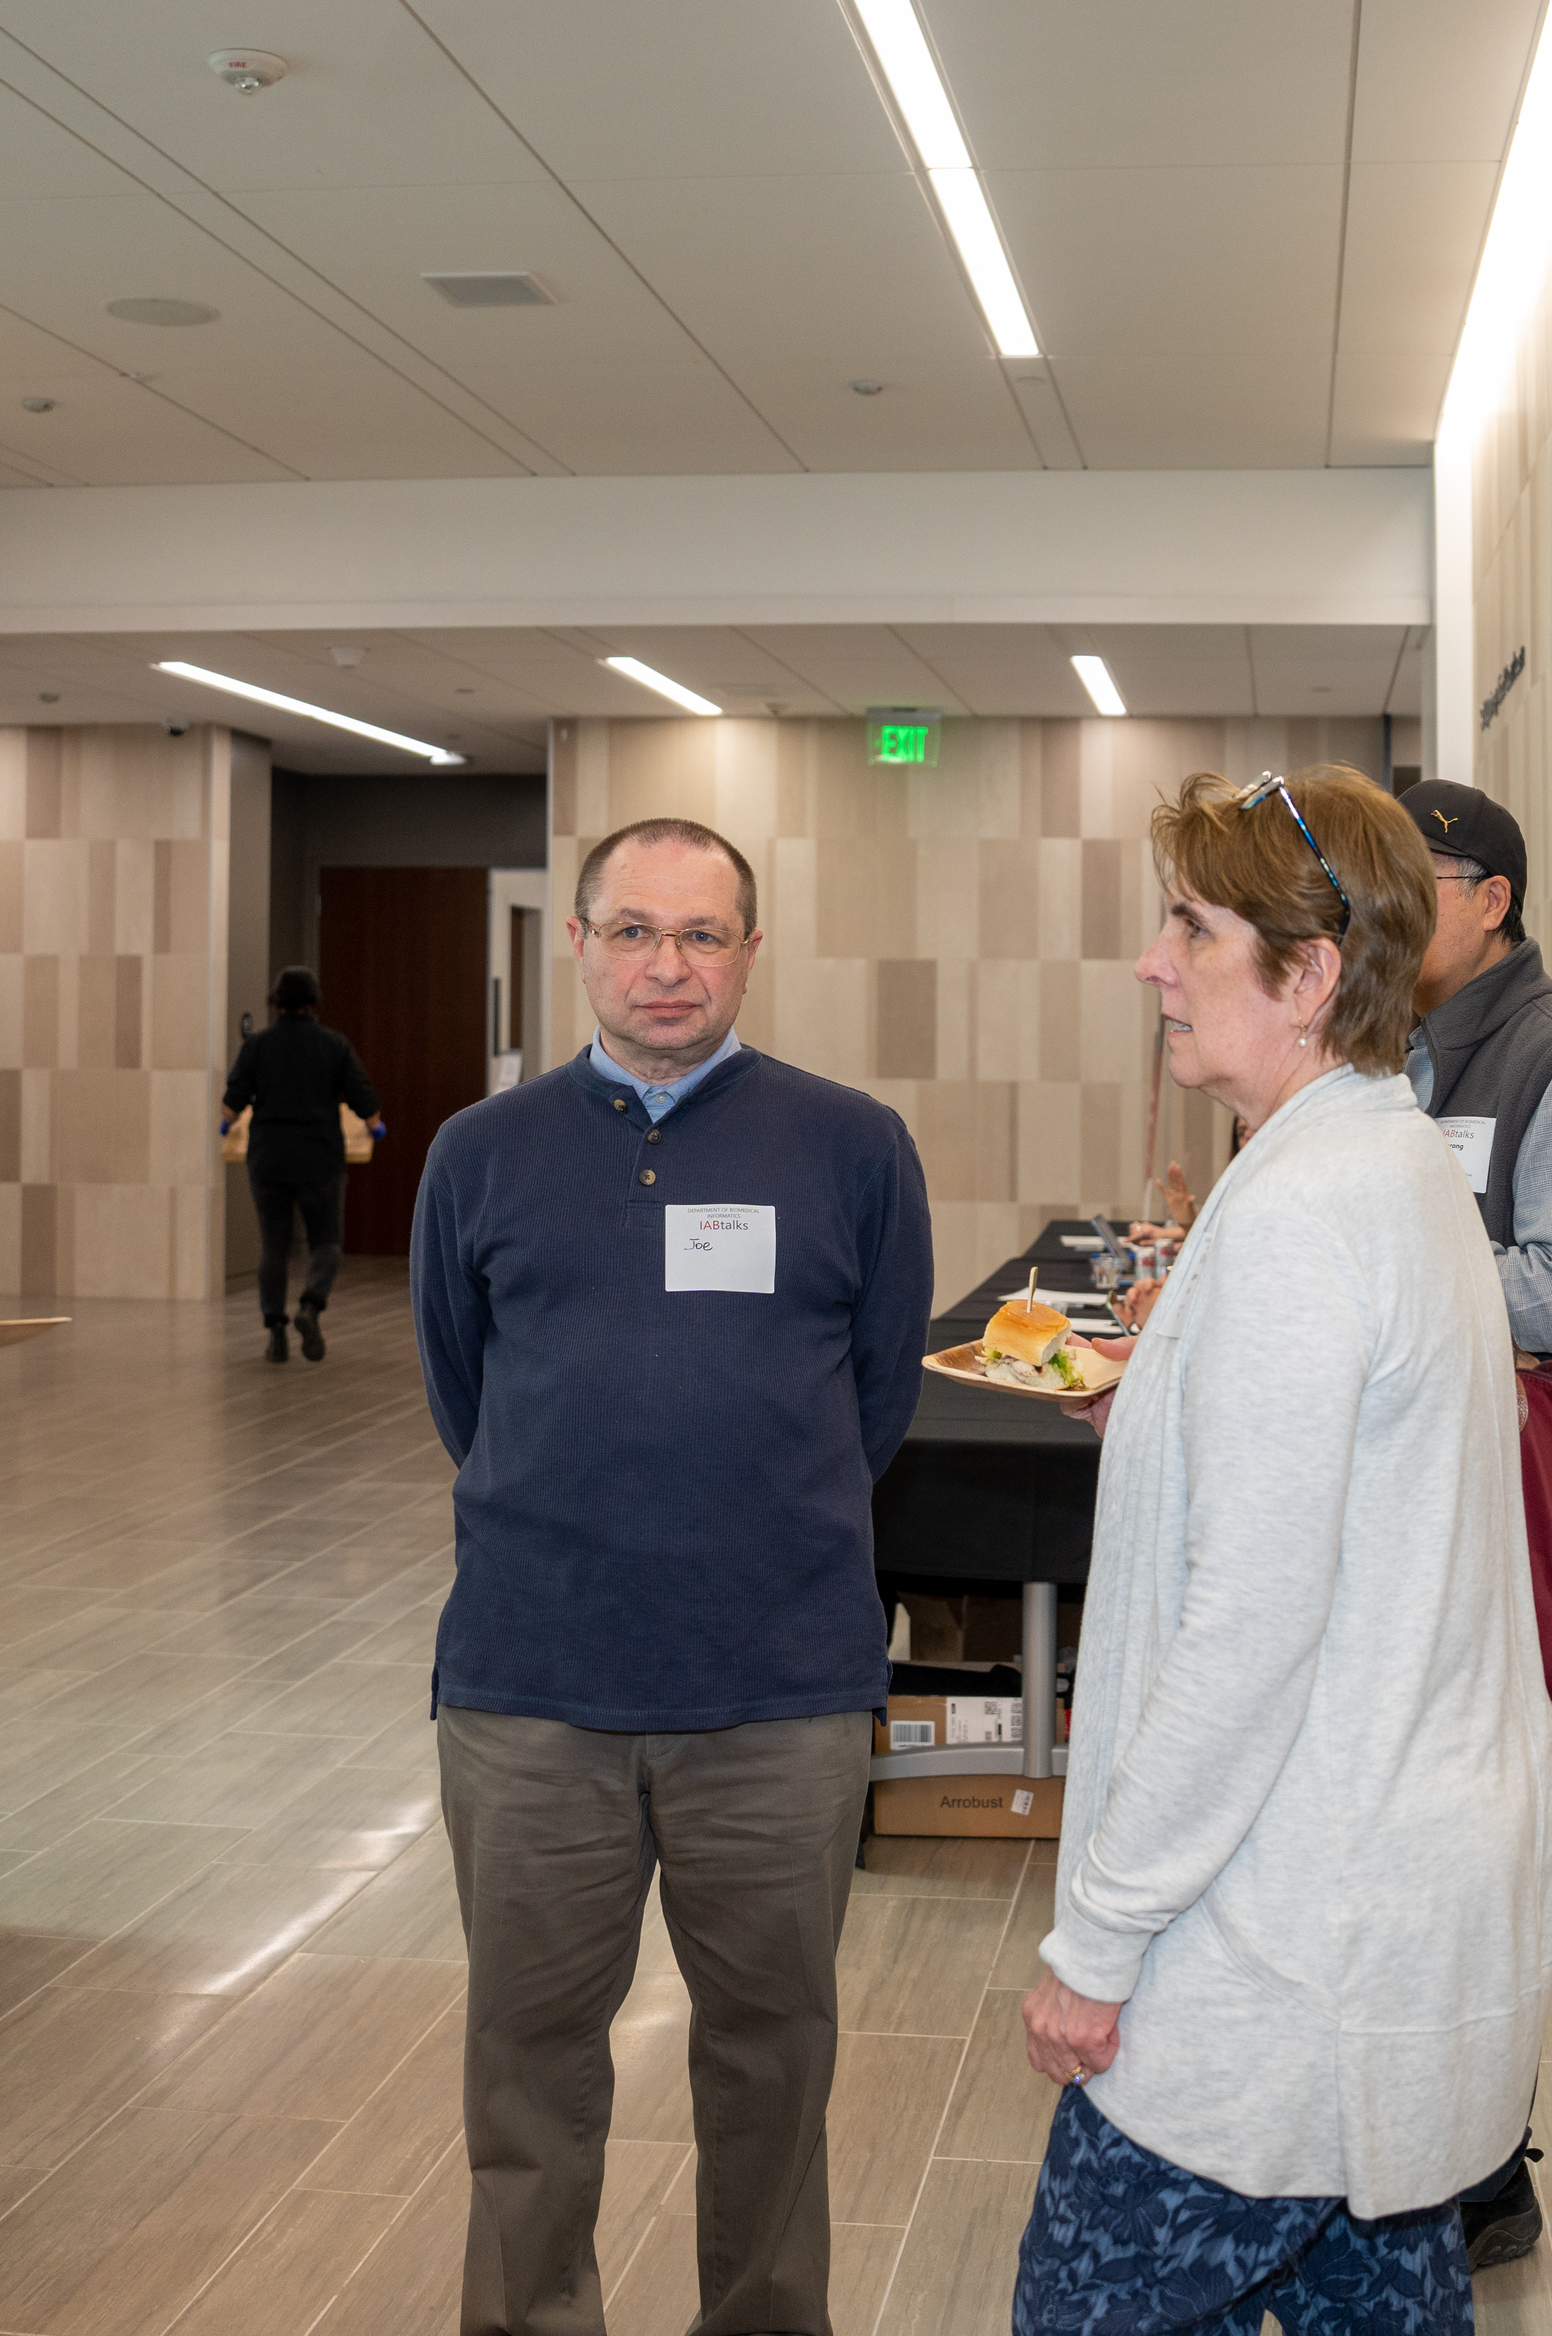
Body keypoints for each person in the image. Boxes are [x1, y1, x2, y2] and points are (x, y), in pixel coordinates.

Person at [1012, 767, 1552, 2336]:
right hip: (1382, 1932)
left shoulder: (1307, 1214)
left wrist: (1099, 1941)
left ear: (1310, 975)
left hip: (1284, 1950)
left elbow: (1249, 1634)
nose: (1152, 964)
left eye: (1191, 925)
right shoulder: (1384, 1165)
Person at [411, 816, 933, 2336]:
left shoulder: (850, 1147)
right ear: (575, 944)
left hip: (777, 1700)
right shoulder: (480, 1154)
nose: (667, 967)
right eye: (633, 930)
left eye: (704, 936)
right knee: (527, 2065)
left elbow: (876, 1401)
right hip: (530, 1697)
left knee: (774, 2063)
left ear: (751, 955)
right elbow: (468, 1396)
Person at [1396, 777, 1552, 2269]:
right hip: (1432, 1495)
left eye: (1414, 880)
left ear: (1491, 897)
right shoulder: (1411, 1052)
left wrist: (1380, 1272)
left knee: (1474, 1840)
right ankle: (1455, 2153)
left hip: (1511, 1508)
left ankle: (1486, 2173)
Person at [219, 965, 382, 1362]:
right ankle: (310, 1306)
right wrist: (375, 1128)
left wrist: (227, 1125)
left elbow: (231, 1105)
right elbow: (364, 1099)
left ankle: (275, 1331)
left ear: (277, 1003)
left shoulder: (257, 1046)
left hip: (269, 1158)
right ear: (314, 1001)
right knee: (326, 1241)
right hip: (319, 1158)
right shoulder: (334, 1045)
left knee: (273, 1244)